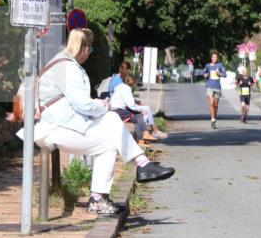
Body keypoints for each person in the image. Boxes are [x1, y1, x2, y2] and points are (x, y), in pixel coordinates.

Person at [21, 28, 175, 216]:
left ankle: (100, 197)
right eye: (90, 49)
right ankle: (140, 166)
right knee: (110, 119)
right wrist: (103, 105)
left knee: (109, 142)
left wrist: (99, 106)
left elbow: (75, 101)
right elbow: (83, 105)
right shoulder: (67, 68)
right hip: (55, 128)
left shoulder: (61, 63)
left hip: (59, 124)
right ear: (83, 48)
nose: (89, 53)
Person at [110, 74, 168, 142]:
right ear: (132, 82)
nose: (135, 84)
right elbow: (131, 105)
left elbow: (127, 100)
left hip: (117, 109)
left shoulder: (121, 87)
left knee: (142, 112)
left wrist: (137, 103)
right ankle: (149, 133)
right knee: (139, 115)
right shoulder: (126, 89)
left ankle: (144, 137)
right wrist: (140, 109)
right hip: (119, 111)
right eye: (135, 82)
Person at [204, 51, 227, 129]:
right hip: (209, 86)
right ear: (211, 58)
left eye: (216, 57)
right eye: (213, 57)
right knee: (211, 103)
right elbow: (204, 73)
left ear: (217, 58)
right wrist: (206, 75)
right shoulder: (207, 66)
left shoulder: (220, 66)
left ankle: (214, 118)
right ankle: (212, 119)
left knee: (216, 105)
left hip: (217, 87)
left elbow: (225, 75)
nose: (215, 58)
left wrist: (219, 74)